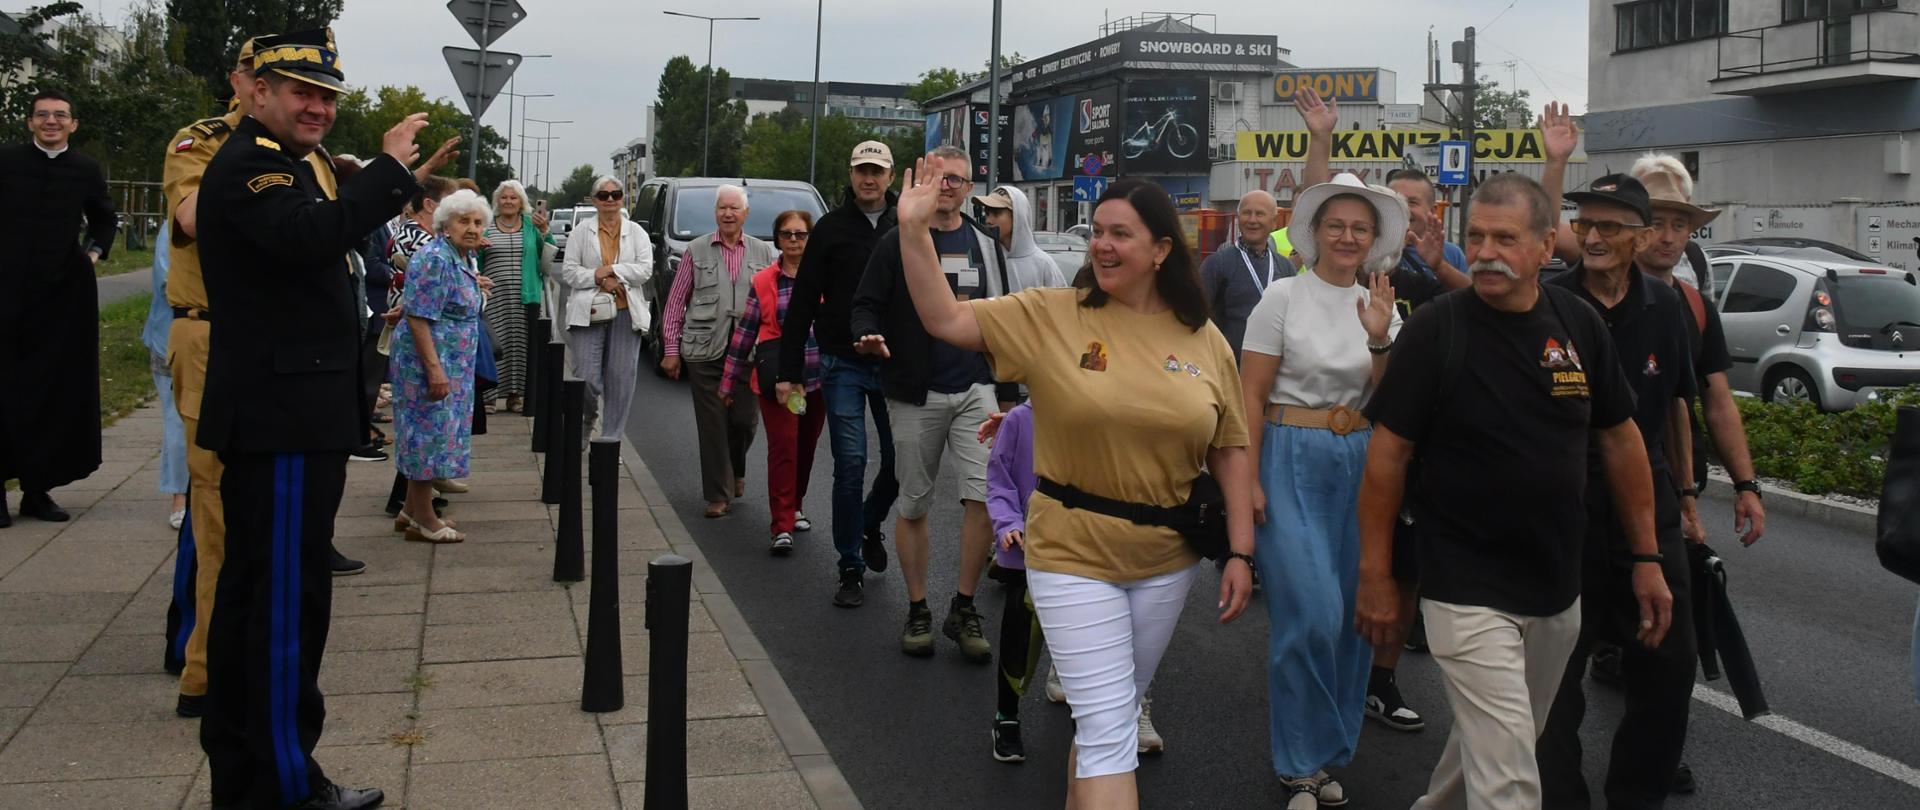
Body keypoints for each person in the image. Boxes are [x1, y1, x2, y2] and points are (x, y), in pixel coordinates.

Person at [889, 162, 1256, 809]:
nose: (1104, 245)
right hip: (1069, 550)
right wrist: (914, 234)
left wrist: (1242, 551)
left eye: (1123, 234)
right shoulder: (1051, 315)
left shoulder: (1203, 339)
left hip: (1167, 561)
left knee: (1101, 723)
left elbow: (1229, 445)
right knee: (1112, 729)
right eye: (1100, 233)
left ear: (1163, 250)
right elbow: (945, 318)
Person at [1354, 173, 1673, 810]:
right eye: (1475, 236)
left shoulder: (1577, 324)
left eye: (1505, 237)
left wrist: (1647, 558)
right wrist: (1376, 572)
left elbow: (1620, 439)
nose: (1485, 251)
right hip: (1464, 585)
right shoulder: (1435, 332)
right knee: (1511, 786)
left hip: (1556, 586)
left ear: (1544, 245)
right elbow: (1387, 456)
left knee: (1493, 752)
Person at [194, 28, 425, 810]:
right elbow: (311, 237)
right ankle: (287, 784)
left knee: (256, 598)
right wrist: (390, 172)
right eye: (302, 92)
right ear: (258, 92)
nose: (318, 107)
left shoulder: (282, 161)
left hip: (287, 412)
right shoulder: (254, 164)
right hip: (284, 417)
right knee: (286, 607)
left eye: (328, 95)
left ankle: (247, 775)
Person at [1536, 174, 1701, 810]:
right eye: (1586, 225)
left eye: (1609, 227)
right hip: (1565, 510)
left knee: (1668, 665)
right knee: (1555, 676)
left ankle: (1637, 797)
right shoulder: (1547, 304)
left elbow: (1677, 408)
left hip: (1647, 508)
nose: (1594, 237)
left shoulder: (1667, 308)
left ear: (1638, 237)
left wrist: (1686, 500)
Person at [1239, 172, 1404, 808]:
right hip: (1288, 454)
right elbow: (1250, 394)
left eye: (1359, 228)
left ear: (1372, 240)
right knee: (1310, 615)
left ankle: (1325, 753)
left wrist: (1380, 335)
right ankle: (1300, 760)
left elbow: (1385, 398)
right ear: (1312, 233)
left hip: (1359, 462)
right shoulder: (1281, 297)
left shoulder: (1380, 305)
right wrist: (1248, 478)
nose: (1346, 236)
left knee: (1352, 620)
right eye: (1335, 225)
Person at [1630, 152, 1770, 795]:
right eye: (1656, 220)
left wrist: (1743, 486)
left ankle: (1653, 762)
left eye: (1680, 224)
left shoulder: (1691, 304)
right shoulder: (1577, 287)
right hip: (1577, 484)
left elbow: (1710, 399)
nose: (1667, 236)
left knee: (1673, 640)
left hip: (1662, 485)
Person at [850, 145, 1014, 662]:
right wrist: (869, 335)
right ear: (923, 181)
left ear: (970, 190)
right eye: (940, 178)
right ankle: (918, 607)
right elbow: (865, 305)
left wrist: (1008, 393)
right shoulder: (898, 241)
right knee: (914, 500)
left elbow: (1007, 320)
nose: (949, 188)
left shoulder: (987, 246)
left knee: (984, 497)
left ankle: (962, 606)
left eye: (959, 181)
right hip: (914, 390)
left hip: (975, 388)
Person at [777, 140, 902, 608]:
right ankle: (849, 563)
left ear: (891, 176)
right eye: (860, 170)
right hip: (842, 361)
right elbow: (803, 302)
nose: (868, 179)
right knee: (850, 463)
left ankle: (870, 521)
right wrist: (789, 371)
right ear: (850, 176)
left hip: (895, 365)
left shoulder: (906, 225)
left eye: (877, 171)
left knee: (900, 463)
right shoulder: (829, 229)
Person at [0, 89, 115, 527]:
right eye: (42, 115)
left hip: (60, 297)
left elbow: (104, 218)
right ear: (29, 123)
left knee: (48, 390)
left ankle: (37, 490)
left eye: (60, 115)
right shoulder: (6, 161)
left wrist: (93, 254)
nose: (51, 121)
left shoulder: (85, 169)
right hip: (4, 292)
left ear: (73, 125)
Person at [719, 210, 826, 554]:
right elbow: (745, 333)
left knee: (806, 448)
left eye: (801, 234)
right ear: (777, 239)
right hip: (779, 381)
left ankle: (795, 505)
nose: (794, 240)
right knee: (783, 448)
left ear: (811, 238)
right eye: (787, 234)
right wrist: (728, 382)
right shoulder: (764, 280)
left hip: (819, 380)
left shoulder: (826, 279)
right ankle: (781, 525)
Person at [390, 189, 494, 543]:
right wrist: (434, 369)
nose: (472, 228)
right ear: (445, 226)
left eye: (478, 222)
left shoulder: (462, 257)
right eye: (463, 221)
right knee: (426, 436)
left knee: (434, 433)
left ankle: (408, 510)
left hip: (453, 361)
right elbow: (419, 317)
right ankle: (425, 519)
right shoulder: (434, 257)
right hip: (430, 361)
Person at [661, 184, 770, 517]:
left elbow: (772, 302)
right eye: (723, 208)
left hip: (748, 353)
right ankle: (718, 495)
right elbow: (676, 301)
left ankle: (736, 468)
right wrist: (671, 348)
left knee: (744, 421)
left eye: (734, 208)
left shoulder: (764, 252)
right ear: (715, 213)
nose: (728, 214)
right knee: (712, 425)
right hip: (705, 350)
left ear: (745, 214)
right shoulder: (696, 250)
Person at [561, 176, 654, 442]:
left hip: (626, 313)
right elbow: (569, 272)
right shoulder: (581, 232)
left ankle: (611, 440)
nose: (610, 199)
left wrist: (612, 271)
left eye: (616, 194)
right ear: (594, 201)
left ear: (623, 198)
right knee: (587, 379)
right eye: (603, 195)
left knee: (621, 380)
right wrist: (598, 277)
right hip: (589, 313)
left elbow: (645, 269)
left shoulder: (637, 233)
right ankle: (588, 417)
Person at [984, 399, 1042, 764]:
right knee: (1019, 629)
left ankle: (1086, 714)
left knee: (1075, 635)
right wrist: (1008, 524)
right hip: (1027, 550)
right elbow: (999, 479)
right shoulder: (1021, 419)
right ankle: (1007, 716)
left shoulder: (1092, 413)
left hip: (1080, 547)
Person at [480, 179, 550, 414]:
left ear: (521, 202)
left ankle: (515, 395)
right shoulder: (486, 225)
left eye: (513, 197)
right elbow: (476, 259)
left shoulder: (531, 225)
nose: (508, 201)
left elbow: (547, 257)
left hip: (525, 295)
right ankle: (488, 396)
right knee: (493, 344)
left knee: (519, 345)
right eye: (504, 197)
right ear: (497, 201)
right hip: (493, 296)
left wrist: (545, 232)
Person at [1200, 189, 1295, 358]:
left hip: (1275, 367)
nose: (1252, 220)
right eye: (1246, 213)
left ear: (1273, 222)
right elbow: (1197, 317)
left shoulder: (1285, 267)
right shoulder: (1217, 264)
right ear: (1238, 219)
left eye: (1260, 214)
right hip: (1229, 367)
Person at [143, 226, 190, 529]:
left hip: (213, 335)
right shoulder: (171, 227)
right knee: (177, 420)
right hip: (171, 336)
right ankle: (180, 497)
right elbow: (167, 283)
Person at [973, 185, 1068, 291]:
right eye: (987, 214)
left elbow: (1061, 304)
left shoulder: (1043, 264)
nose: (988, 220)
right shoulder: (984, 259)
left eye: (996, 214)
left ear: (1017, 217)